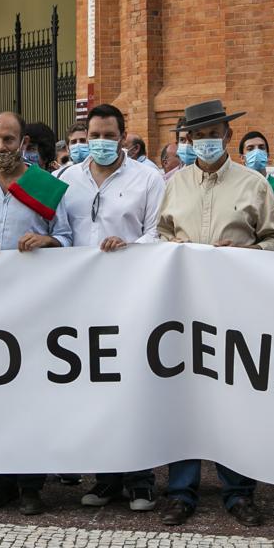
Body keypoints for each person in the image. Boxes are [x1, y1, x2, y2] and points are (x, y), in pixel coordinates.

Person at [155, 99, 274, 527]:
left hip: (235, 308)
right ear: (188, 139)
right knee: (182, 396)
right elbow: (160, 234)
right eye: (198, 135)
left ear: (227, 136)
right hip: (183, 308)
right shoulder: (175, 184)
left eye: (213, 134)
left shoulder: (254, 184)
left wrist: (246, 252)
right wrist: (169, 248)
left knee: (234, 396)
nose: (206, 141)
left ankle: (239, 491)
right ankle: (180, 491)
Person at [0, 111, 72, 516]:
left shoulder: (44, 186)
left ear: (23, 142)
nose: (0, 147)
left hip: (34, 307)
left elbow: (67, 238)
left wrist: (47, 241)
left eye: (8, 139)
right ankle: (1, 481)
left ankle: (31, 485)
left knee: (31, 396)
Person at [61, 104, 164, 512]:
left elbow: (159, 232)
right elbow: (57, 232)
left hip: (131, 296)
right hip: (82, 301)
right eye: (94, 136)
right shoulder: (66, 178)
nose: (100, 142)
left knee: (134, 386)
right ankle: (106, 478)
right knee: (95, 389)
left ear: (123, 137)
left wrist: (130, 246)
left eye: (109, 135)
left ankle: (141, 479)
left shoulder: (148, 178)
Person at [238, 130, 274, 204]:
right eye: (250, 149)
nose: (257, 152)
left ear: (267, 155)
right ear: (242, 158)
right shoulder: (236, 188)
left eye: (261, 148)